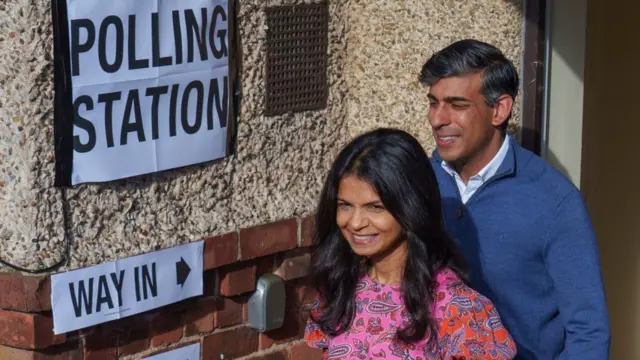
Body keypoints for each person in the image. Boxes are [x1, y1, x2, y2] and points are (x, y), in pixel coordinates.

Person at [419, 39, 610, 359]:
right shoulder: (416, 181)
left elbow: (588, 330)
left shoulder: (554, 201)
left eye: (457, 104)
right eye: (433, 102)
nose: (438, 119)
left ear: (499, 109)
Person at [304, 128, 517, 359]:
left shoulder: (457, 309)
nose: (355, 223)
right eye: (345, 205)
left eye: (375, 207)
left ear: (411, 207)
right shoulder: (339, 287)